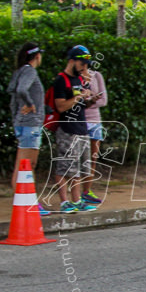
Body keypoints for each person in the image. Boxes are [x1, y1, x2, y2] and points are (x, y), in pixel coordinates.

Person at [51, 45, 98, 213]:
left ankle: (77, 201)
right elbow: (61, 106)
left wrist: (89, 99)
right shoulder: (61, 80)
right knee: (64, 167)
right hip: (67, 129)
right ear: (72, 61)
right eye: (82, 63)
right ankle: (64, 202)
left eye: (87, 64)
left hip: (81, 128)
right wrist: (78, 96)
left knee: (79, 168)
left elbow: (80, 105)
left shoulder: (79, 80)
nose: (85, 67)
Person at [7, 42, 48, 215]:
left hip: (22, 123)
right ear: (37, 56)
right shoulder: (29, 71)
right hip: (30, 124)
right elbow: (22, 90)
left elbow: (13, 96)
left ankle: (23, 201)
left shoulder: (19, 72)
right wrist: (31, 105)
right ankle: (28, 202)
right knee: (27, 165)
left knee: (22, 165)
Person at [80, 64, 109, 205]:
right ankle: (73, 193)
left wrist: (88, 101)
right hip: (80, 121)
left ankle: (87, 191)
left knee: (92, 158)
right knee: (79, 157)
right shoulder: (74, 77)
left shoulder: (96, 76)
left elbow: (103, 100)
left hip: (95, 121)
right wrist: (90, 99)